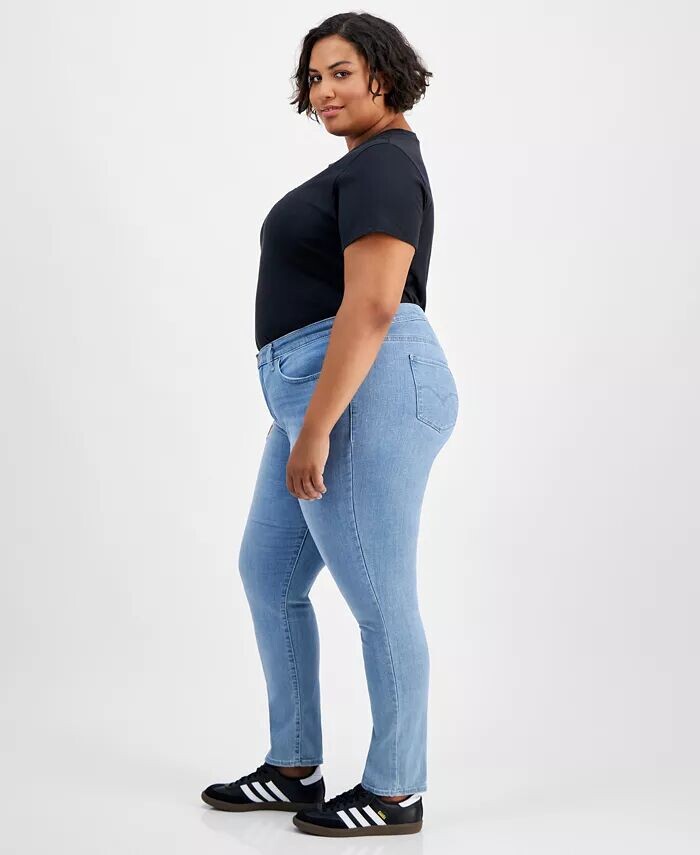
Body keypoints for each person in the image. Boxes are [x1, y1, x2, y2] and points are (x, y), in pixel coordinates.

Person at [201, 12, 459, 838]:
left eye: (341, 73)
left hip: (361, 386)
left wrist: (315, 426)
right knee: (268, 572)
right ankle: (293, 764)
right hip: (320, 389)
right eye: (314, 78)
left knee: (379, 590)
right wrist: (303, 415)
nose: (323, 92)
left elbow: (374, 302)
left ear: (384, 74)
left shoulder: (386, 163)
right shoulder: (360, 165)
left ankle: (395, 790)